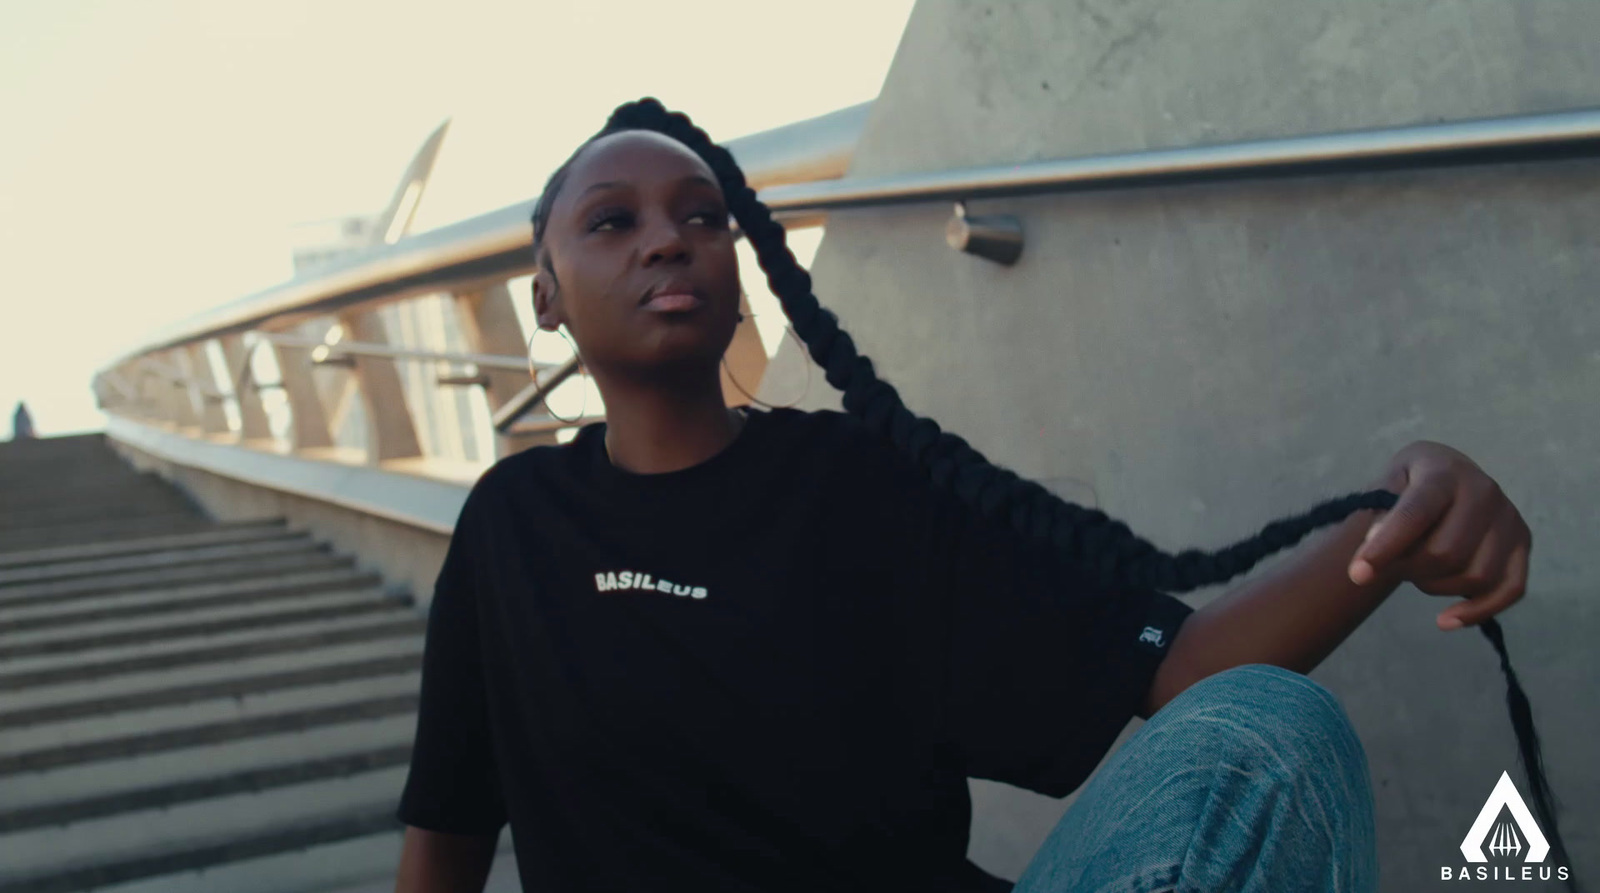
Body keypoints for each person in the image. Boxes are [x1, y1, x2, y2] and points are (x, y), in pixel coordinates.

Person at [392, 99, 1534, 893]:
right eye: (612, 221)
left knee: (1275, 733)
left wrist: (1389, 518)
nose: (669, 243)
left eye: (703, 216)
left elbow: (1182, 673)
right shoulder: (512, 524)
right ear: (544, 293)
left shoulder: (864, 480)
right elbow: (446, 835)